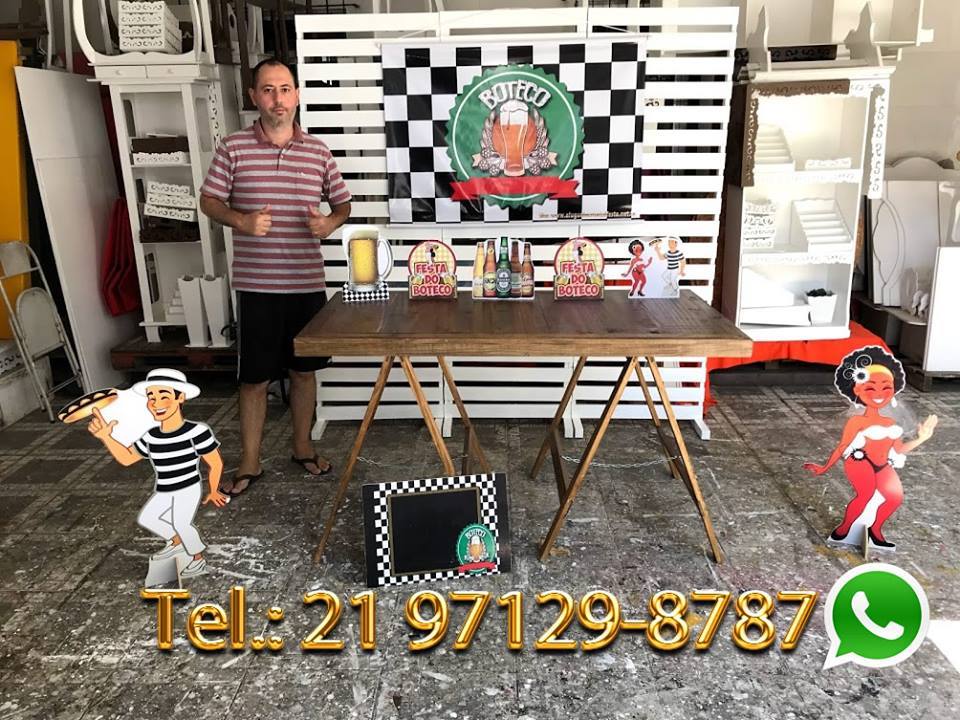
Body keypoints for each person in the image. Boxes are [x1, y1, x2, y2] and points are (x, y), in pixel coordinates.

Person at [199, 58, 352, 495]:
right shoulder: (233, 148)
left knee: (303, 372)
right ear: (254, 97)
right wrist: (241, 220)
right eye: (268, 90)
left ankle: (303, 447)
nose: (277, 99)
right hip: (257, 286)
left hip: (306, 283)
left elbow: (343, 205)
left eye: (285, 89)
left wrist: (329, 223)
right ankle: (250, 462)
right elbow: (209, 200)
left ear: (297, 94)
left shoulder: (318, 151)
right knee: (254, 379)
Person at [87, 369, 227, 578]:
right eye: (151, 397)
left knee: (181, 523)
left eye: (164, 396)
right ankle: (177, 542)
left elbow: (215, 462)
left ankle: (197, 559)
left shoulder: (197, 432)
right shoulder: (151, 436)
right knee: (148, 518)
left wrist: (213, 490)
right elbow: (127, 458)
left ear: (180, 398)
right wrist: (107, 437)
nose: (156, 403)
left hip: (187, 487)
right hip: (164, 488)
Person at [803, 346, 938, 549]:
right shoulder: (857, 421)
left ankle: (875, 530)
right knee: (865, 494)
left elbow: (898, 449)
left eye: (886, 387)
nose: (879, 393)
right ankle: (844, 530)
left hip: (883, 464)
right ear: (858, 390)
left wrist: (922, 438)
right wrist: (824, 467)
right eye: (870, 388)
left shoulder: (891, 423)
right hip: (859, 461)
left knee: (894, 497)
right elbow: (842, 446)